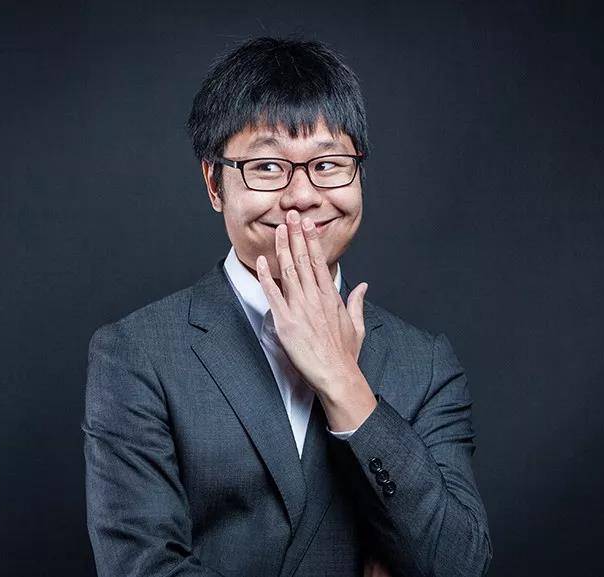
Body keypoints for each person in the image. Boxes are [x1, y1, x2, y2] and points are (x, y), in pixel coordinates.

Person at [82, 36, 493, 577]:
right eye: (268, 166)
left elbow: (459, 564)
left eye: (328, 163)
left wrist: (344, 383)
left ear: (359, 173)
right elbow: (142, 567)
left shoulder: (426, 364)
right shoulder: (137, 354)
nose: (302, 196)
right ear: (214, 183)